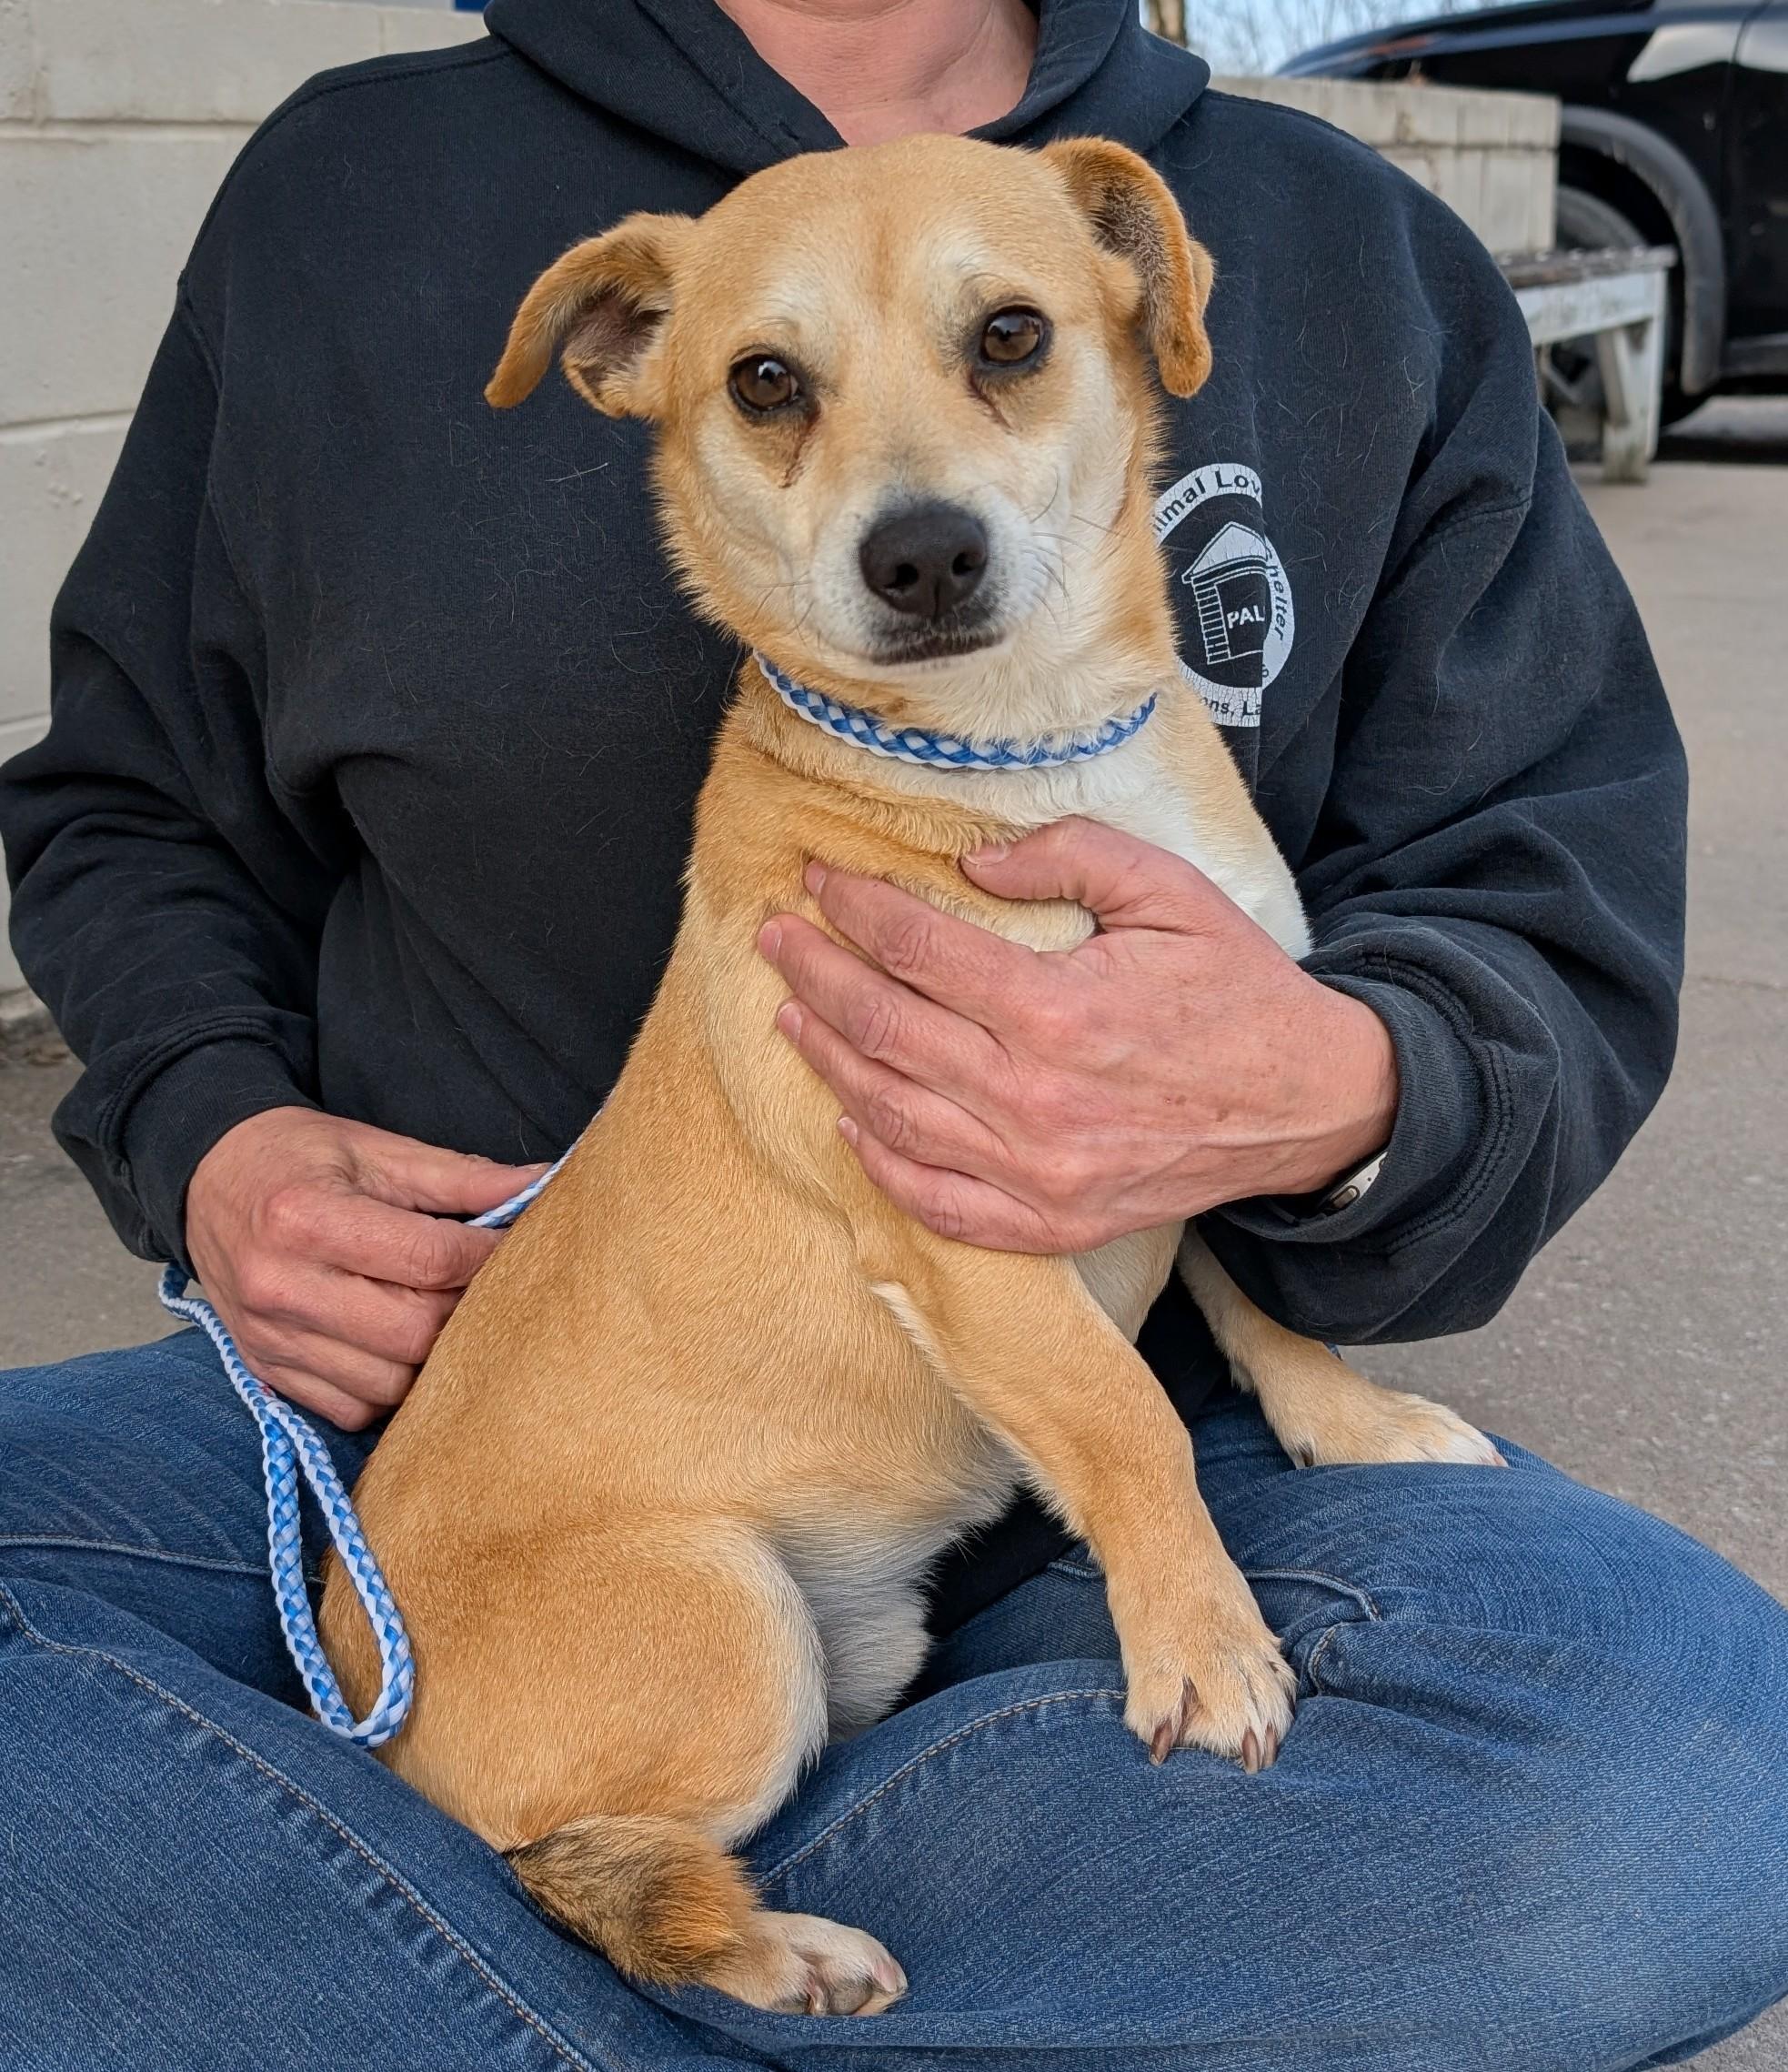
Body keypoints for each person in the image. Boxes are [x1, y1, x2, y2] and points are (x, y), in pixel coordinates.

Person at [1, 0, 1783, 2064]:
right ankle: (905, 1946)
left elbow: (1535, 899)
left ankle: (465, 1938)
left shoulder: (1340, 240)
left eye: (1001, 346)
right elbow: (120, 802)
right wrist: (210, 1127)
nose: (909, 506)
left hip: (1146, 1403)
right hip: (429, 1427)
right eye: (776, 392)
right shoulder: (344, 191)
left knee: (1689, 1753)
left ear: (1130, 308)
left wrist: (1339, 1085)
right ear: (630, 372)